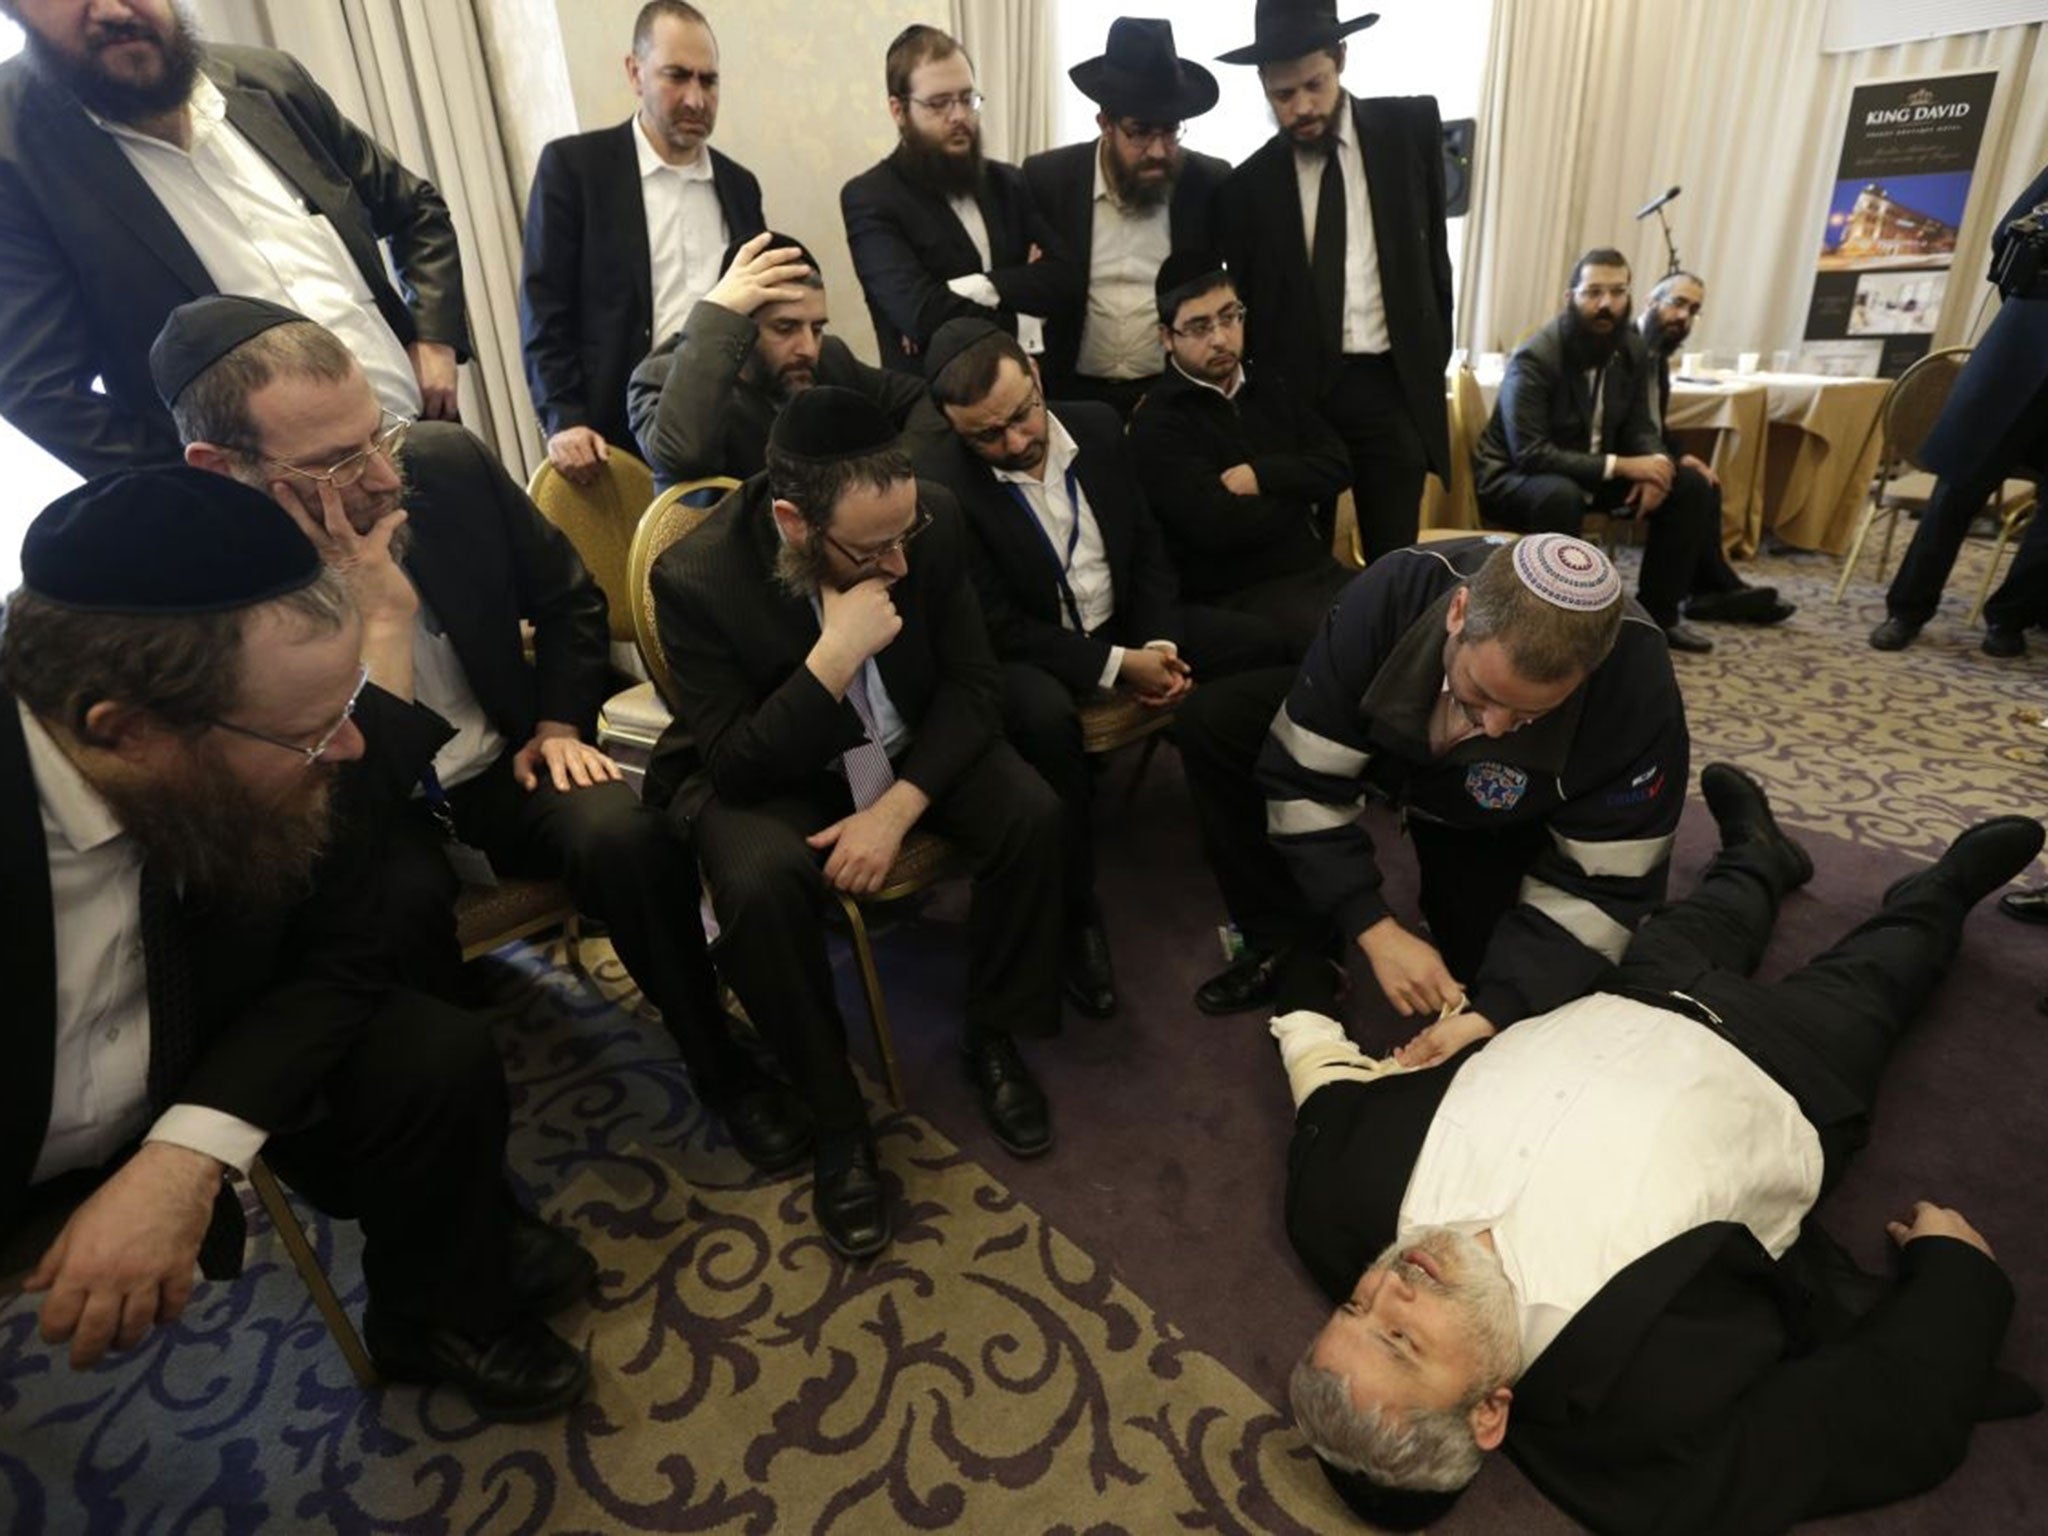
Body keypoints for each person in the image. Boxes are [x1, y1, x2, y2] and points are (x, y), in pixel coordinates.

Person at [1276, 763, 2041, 1534]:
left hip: (1631, 994)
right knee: (1891, 962)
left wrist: (1303, 991)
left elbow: (1324, 1091)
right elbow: (1885, 1419)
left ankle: (1758, 852)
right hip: (1790, 1072)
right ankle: (1941, 890)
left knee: (1716, 906)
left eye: (1353, 1305)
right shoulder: (1641, 1413)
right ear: (1489, 1413)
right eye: (1402, 1340)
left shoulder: (1333, 1209)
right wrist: (1955, 1273)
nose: (1386, 1286)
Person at [149, 295, 808, 1178]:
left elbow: (568, 598)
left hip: (504, 756)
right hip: (367, 810)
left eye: (376, 432)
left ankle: (718, 1064)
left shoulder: (443, 463)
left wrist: (559, 720)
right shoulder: (204, 589)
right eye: (338, 463)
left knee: (624, 832)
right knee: (393, 917)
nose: (384, 478)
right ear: (221, 467)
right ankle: (475, 1182)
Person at [1, 468, 592, 1419]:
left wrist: (184, 1153)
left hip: (186, 1065)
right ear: (127, 732)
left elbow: (343, 950)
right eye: (313, 736)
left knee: (432, 1053)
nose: (350, 751)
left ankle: (435, 1312)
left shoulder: (247, 744)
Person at [650, 387, 1063, 1259]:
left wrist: (897, 810)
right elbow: (735, 766)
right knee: (758, 884)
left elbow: (974, 687)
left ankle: (992, 1035)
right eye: (874, 550)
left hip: (908, 746)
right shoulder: (698, 577)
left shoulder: (931, 520)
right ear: (796, 523)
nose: (900, 566)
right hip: (785, 768)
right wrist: (831, 659)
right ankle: (838, 1122)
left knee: (1032, 815)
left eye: (904, 537)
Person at [913, 318, 1292, 1019]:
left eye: (1023, 415)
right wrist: (1121, 668)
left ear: (1037, 378)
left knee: (1266, 646)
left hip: (1126, 624)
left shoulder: (1096, 424)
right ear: (953, 428)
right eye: (987, 436)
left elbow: (1146, 545)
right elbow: (994, 627)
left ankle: (1274, 836)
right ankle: (1077, 908)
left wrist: (1159, 645)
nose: (1017, 441)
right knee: (1043, 719)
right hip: (1033, 653)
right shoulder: (940, 484)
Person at [1178, 535, 1687, 1029]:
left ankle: (1752, 847)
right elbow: (1303, 779)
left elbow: (1608, 883)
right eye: (1480, 693)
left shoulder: (1636, 684)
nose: (1492, 729)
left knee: (1495, 976)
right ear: (1458, 612)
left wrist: (1498, 1009)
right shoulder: (1387, 596)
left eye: (1532, 712)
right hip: (1390, 752)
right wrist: (1373, 927)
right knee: (1217, 721)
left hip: (1502, 815)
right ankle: (1288, 946)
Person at [0, 0, 466, 479]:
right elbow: (38, 391)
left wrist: (436, 338)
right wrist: (206, 494)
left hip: (423, 441)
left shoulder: (269, 78)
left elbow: (414, 210)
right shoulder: (13, 151)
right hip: (278, 518)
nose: (113, 9)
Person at [1212, 1, 1453, 562]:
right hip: (1297, 400)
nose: (1301, 108)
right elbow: (1252, 304)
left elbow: (1434, 261)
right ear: (1263, 86)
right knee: (1302, 559)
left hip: (1390, 386)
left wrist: (1427, 362)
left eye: (1314, 85)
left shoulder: (1408, 129)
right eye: (1282, 95)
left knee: (1395, 562)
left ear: (1341, 58)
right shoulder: (1247, 187)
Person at [519, 1, 766, 485]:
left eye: (708, 80)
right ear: (635, 73)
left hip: (728, 425)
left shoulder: (740, 185)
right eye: (677, 76)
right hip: (614, 438)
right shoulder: (574, 169)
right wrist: (563, 418)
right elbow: (544, 307)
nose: (696, 98)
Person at [1473, 248, 1724, 653]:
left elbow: (1642, 425)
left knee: (1691, 484)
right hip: (1517, 477)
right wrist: (1625, 466)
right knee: (1560, 494)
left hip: (1590, 472)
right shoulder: (1536, 357)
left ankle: (1658, 619)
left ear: (1629, 297)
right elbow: (1531, 453)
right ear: (1569, 297)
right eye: (1593, 292)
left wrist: (1657, 466)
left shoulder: (1631, 349)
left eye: (1617, 292)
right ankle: (1553, 625)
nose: (1606, 304)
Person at [1128, 252, 1353, 655]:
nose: (1220, 338)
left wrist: (1261, 476)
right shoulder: (1158, 421)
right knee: (1349, 641)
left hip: (1315, 572)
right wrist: (1302, 495)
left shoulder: (1270, 384)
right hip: (1238, 595)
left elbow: (1338, 464)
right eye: (1199, 327)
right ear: (1166, 336)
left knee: (1410, 609)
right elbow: (1217, 525)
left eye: (1229, 317)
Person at [1870, 163, 2048, 657]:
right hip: (2020, 353)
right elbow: (2006, 237)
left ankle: (2010, 619)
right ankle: (1906, 610)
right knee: (1958, 492)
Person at [1019, 16, 1230, 420]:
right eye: (1139, 132)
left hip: (1170, 395)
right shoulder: (1047, 180)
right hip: (1069, 392)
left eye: (1169, 131)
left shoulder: (1208, 183)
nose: (1157, 150)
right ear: (1105, 124)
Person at [840, 24, 1075, 372]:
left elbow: (1065, 279)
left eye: (967, 98)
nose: (960, 116)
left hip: (1026, 391)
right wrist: (1024, 318)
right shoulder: (871, 197)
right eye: (938, 104)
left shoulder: (1007, 182)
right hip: (929, 402)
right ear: (898, 110)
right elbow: (921, 315)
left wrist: (978, 286)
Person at [626, 231, 927, 488]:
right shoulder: (661, 378)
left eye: (817, 328)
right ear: (739, 322)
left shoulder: (829, 359)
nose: (808, 348)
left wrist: (885, 474)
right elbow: (685, 457)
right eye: (786, 328)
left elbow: (924, 398)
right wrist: (716, 311)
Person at [1635, 271, 1794, 626]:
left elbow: (1652, 423)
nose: (1683, 317)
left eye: (1693, 310)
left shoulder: (1654, 352)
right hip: (1617, 460)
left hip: (1641, 449)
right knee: (1690, 485)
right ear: (1651, 301)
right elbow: (1621, 425)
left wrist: (1678, 454)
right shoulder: (1627, 348)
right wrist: (1664, 460)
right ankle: (1706, 592)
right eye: (1677, 303)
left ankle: (1713, 588)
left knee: (1704, 478)